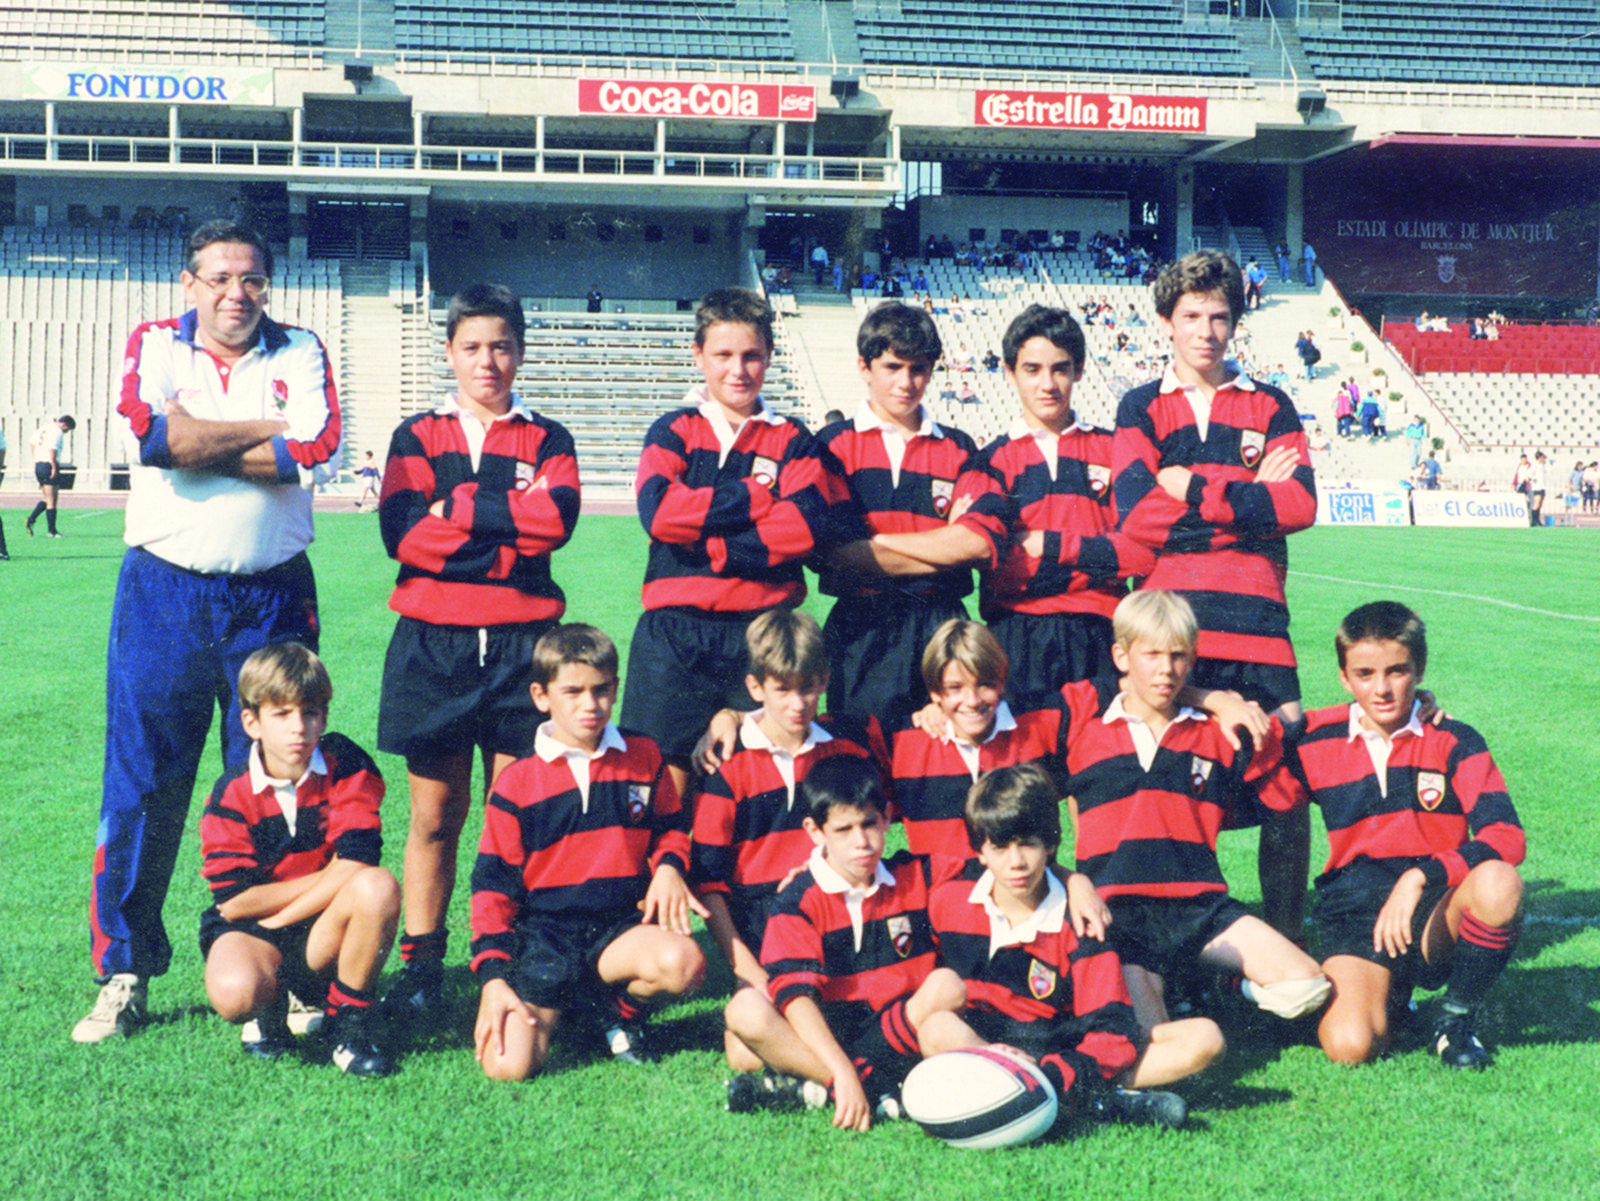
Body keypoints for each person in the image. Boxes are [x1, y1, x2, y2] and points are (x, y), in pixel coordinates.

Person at [76, 219, 342, 1044]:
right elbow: (156, 439)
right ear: (189, 284)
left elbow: (318, 448)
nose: (238, 294)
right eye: (221, 278)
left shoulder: (300, 349)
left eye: (253, 279)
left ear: (269, 285)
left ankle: (278, 971)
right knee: (145, 781)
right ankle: (126, 967)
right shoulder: (155, 341)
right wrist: (265, 430)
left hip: (271, 597)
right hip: (165, 590)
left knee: (276, 785)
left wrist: (203, 439)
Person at [376, 283, 581, 1033]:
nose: (487, 361)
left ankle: (507, 956)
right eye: (472, 347)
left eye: (500, 345)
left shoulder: (548, 436)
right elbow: (402, 534)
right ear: (449, 353)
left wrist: (456, 507)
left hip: (524, 648)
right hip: (434, 645)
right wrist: (503, 526)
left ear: (520, 350)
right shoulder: (416, 434)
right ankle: (424, 965)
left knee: (510, 814)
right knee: (434, 814)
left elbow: (554, 523)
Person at [1112, 250, 1317, 941]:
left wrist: (1194, 489)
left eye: (1219, 316)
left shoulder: (1272, 402)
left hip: (1260, 628)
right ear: (1167, 321)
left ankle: (1288, 942)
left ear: (1236, 322)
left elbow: (1301, 504)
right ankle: (1182, 943)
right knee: (1176, 785)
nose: (1206, 330)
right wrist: (1250, 500)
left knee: (1285, 792)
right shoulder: (1140, 405)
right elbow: (1137, 516)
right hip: (1175, 628)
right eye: (1192, 316)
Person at [1063, 592, 1331, 1039]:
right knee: (1155, 1040)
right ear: (1121, 656)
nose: (1166, 669)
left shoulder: (1219, 731)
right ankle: (1175, 987)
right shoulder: (1082, 724)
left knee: (1307, 985)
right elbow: (994, 716)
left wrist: (1412, 704)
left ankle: (1221, 981)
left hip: (1201, 909)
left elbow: (1310, 745)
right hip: (1120, 915)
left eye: (1178, 656)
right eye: (1151, 655)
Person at [914, 763, 1220, 1129]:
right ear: (980, 852)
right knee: (936, 1028)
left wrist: (1055, 1074)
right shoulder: (948, 897)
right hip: (985, 1047)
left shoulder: (1082, 923)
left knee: (1205, 1038)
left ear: (1051, 844)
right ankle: (1097, 1101)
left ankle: (1047, 1095)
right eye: (1000, 847)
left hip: (1063, 1052)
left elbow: (1112, 1032)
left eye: (1028, 844)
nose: (1016, 862)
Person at [1291, 602, 1524, 1069]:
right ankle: (1392, 996)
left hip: (1434, 908)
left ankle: (1454, 1020)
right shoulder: (1311, 738)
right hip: (1355, 911)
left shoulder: (1455, 739)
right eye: (1364, 673)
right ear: (1343, 677)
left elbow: (1508, 836)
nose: (1380, 689)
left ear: (1419, 669)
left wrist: (1421, 875)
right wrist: (1209, 699)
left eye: (1397, 671)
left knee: (1499, 882)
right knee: (1350, 1047)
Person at [470, 624, 707, 1079]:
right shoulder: (517, 782)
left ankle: (617, 1014)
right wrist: (493, 975)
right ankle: (578, 1010)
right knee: (508, 1066)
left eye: (601, 690)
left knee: (682, 963)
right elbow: (491, 884)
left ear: (615, 689)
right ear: (542, 696)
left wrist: (670, 868)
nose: (589, 704)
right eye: (573, 691)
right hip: (545, 936)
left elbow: (671, 829)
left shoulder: (642, 754)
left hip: (618, 928)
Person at [622, 287, 829, 803]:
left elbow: (803, 529)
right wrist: (755, 493)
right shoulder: (673, 430)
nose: (738, 370)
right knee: (663, 790)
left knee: (748, 785)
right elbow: (661, 515)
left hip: (760, 633)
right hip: (673, 635)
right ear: (699, 355)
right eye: (724, 355)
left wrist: (715, 548)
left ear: (770, 358)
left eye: (752, 356)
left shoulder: (794, 439)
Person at [721, 755, 958, 1129]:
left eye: (869, 824)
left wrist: (1069, 878)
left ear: (887, 816)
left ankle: (808, 1087)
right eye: (844, 830)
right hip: (831, 1031)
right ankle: (864, 1086)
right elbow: (796, 999)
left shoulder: (916, 874)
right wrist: (841, 1073)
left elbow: (997, 864)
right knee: (743, 1012)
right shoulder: (797, 900)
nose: (861, 842)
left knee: (947, 986)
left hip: (897, 1027)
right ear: (815, 832)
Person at [198, 642, 399, 1075]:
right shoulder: (230, 793)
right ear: (252, 722)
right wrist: (331, 876)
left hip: (322, 925)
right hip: (255, 930)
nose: (299, 729)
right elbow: (234, 902)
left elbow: (360, 862)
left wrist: (289, 907)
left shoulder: (346, 763)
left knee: (378, 885)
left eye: (310, 713)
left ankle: (347, 1024)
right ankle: (267, 1012)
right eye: (282, 714)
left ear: (324, 717)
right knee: (236, 992)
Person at [689, 609, 872, 1062]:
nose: (797, 704)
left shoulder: (843, 749)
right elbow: (708, 882)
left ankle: (838, 1072)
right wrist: (746, 971)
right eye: (782, 689)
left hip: (829, 914)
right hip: (758, 922)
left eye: (808, 687)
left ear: (824, 680)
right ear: (755, 688)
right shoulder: (727, 761)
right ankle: (845, 1077)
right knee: (745, 1053)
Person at [956, 306, 1153, 709]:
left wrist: (1046, 545)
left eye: (1060, 369)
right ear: (1009, 372)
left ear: (1079, 371)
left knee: (1097, 766)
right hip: (1015, 638)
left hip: (1100, 635)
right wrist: (1097, 559)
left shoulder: (1116, 450)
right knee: (1025, 767)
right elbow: (1000, 568)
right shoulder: (988, 461)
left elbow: (1140, 551)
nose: (1048, 384)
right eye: (1032, 369)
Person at [814, 302, 984, 732]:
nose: (906, 382)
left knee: (945, 763)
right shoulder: (831, 446)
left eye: (918, 369)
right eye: (892, 366)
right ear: (864, 366)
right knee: (865, 762)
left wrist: (878, 545)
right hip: (862, 625)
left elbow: (976, 545)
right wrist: (943, 544)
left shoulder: (961, 448)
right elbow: (836, 555)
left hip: (942, 623)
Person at [26, 413, 75, 538]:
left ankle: (31, 519)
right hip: (48, 465)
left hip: (39, 465)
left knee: (48, 498)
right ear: (64, 424)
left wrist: (36, 458)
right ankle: (51, 531)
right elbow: (52, 449)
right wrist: (53, 466)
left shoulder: (45, 428)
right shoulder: (57, 431)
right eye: (67, 429)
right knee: (52, 500)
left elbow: (32, 442)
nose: (66, 432)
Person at [1527, 451, 1548, 527]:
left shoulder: (1542, 465)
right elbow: (1528, 477)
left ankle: (1537, 520)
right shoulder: (1534, 465)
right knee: (1536, 503)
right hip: (1537, 487)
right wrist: (1533, 480)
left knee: (1540, 504)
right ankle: (1533, 520)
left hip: (1542, 486)